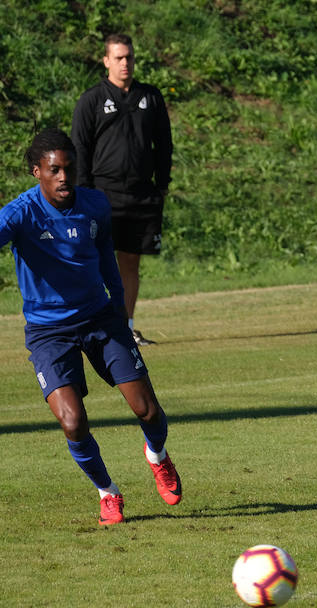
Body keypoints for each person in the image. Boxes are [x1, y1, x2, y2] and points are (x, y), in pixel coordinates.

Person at [0, 128, 182, 525]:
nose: (64, 177)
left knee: (147, 409)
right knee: (72, 421)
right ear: (37, 172)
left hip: (100, 319)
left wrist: (120, 314)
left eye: (69, 168)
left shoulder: (95, 205)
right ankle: (108, 492)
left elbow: (107, 265)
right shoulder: (20, 213)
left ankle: (157, 456)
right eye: (54, 170)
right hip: (49, 333)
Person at [72, 33, 173, 346]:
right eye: (118, 57)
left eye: (128, 56)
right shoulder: (91, 100)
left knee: (131, 263)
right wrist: (84, 193)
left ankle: (126, 326)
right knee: (95, 262)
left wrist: (162, 186)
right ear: (106, 61)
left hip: (142, 196)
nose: (125, 62)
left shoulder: (151, 97)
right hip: (103, 195)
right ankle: (92, 325)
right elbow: (80, 148)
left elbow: (164, 145)